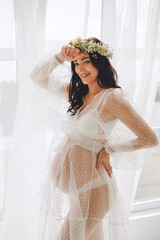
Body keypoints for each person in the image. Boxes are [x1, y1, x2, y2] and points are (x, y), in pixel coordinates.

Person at [30, 37, 159, 240]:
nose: (80, 68)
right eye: (76, 63)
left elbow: (150, 138)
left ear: (100, 62)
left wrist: (110, 150)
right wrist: (59, 57)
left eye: (87, 61)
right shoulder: (77, 94)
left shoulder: (112, 98)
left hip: (93, 191)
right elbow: (37, 76)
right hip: (77, 192)